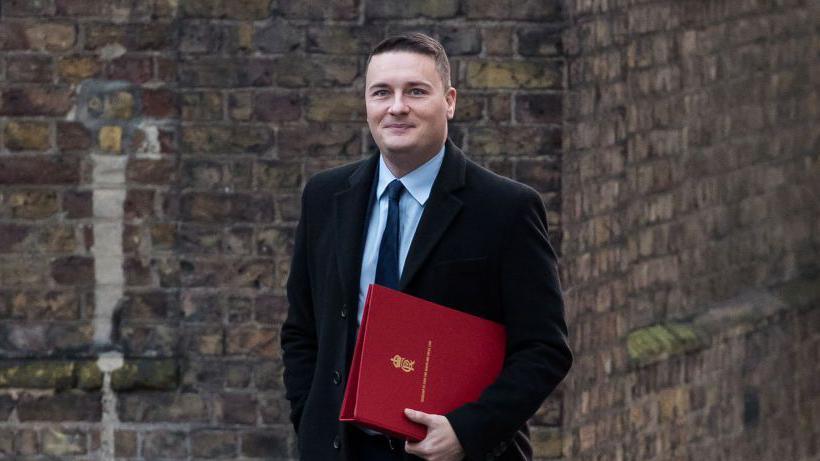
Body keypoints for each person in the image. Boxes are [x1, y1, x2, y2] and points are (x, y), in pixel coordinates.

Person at [281, 32, 572, 461]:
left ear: (449, 101)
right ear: (366, 103)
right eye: (382, 93)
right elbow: (302, 330)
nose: (397, 107)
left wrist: (467, 432)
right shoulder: (325, 198)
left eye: (415, 91)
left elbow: (544, 349)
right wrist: (310, 420)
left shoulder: (505, 208)